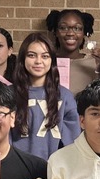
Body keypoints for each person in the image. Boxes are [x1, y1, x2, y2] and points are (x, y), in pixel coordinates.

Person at [10, 31, 80, 159]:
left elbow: (72, 144)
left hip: (53, 167)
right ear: (23, 58)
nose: (38, 61)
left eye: (45, 56)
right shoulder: (9, 94)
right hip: (17, 165)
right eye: (31, 55)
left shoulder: (65, 96)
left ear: (52, 60)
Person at [45, 8, 100, 92]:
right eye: (63, 28)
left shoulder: (95, 62)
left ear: (84, 32)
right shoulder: (46, 61)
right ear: (56, 32)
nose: (70, 33)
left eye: (77, 28)